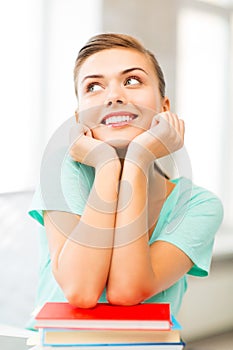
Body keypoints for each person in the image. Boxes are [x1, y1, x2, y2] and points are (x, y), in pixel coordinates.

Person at [28, 33, 223, 330]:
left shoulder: (199, 205)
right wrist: (106, 165)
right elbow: (80, 291)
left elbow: (126, 291)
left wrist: (137, 160)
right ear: (80, 116)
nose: (114, 96)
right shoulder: (61, 171)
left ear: (164, 107)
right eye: (94, 86)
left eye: (132, 81)